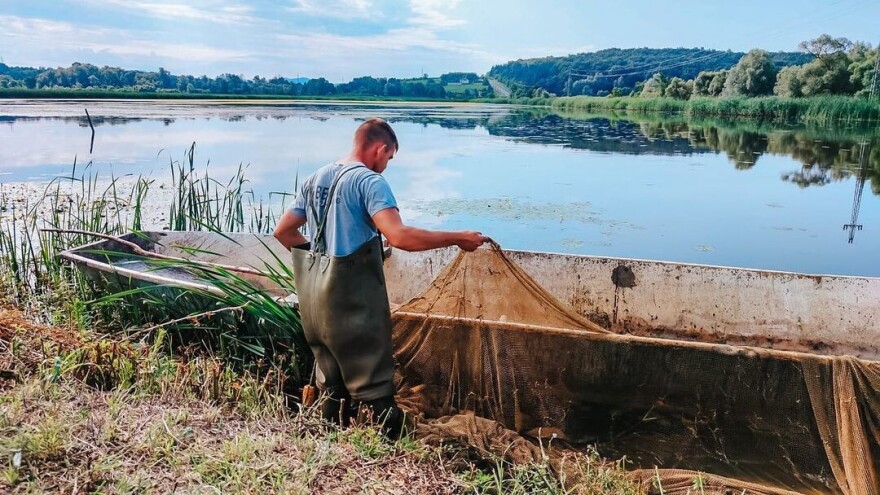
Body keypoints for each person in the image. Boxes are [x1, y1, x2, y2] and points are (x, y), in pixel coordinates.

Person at [274, 118, 487, 438]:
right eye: (389, 158)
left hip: (314, 305)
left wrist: (319, 258)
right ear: (381, 148)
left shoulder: (315, 178)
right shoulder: (369, 182)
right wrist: (458, 237)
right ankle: (392, 446)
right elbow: (400, 237)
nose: (386, 165)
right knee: (373, 384)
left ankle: (328, 442)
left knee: (332, 382)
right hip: (349, 304)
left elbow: (284, 232)